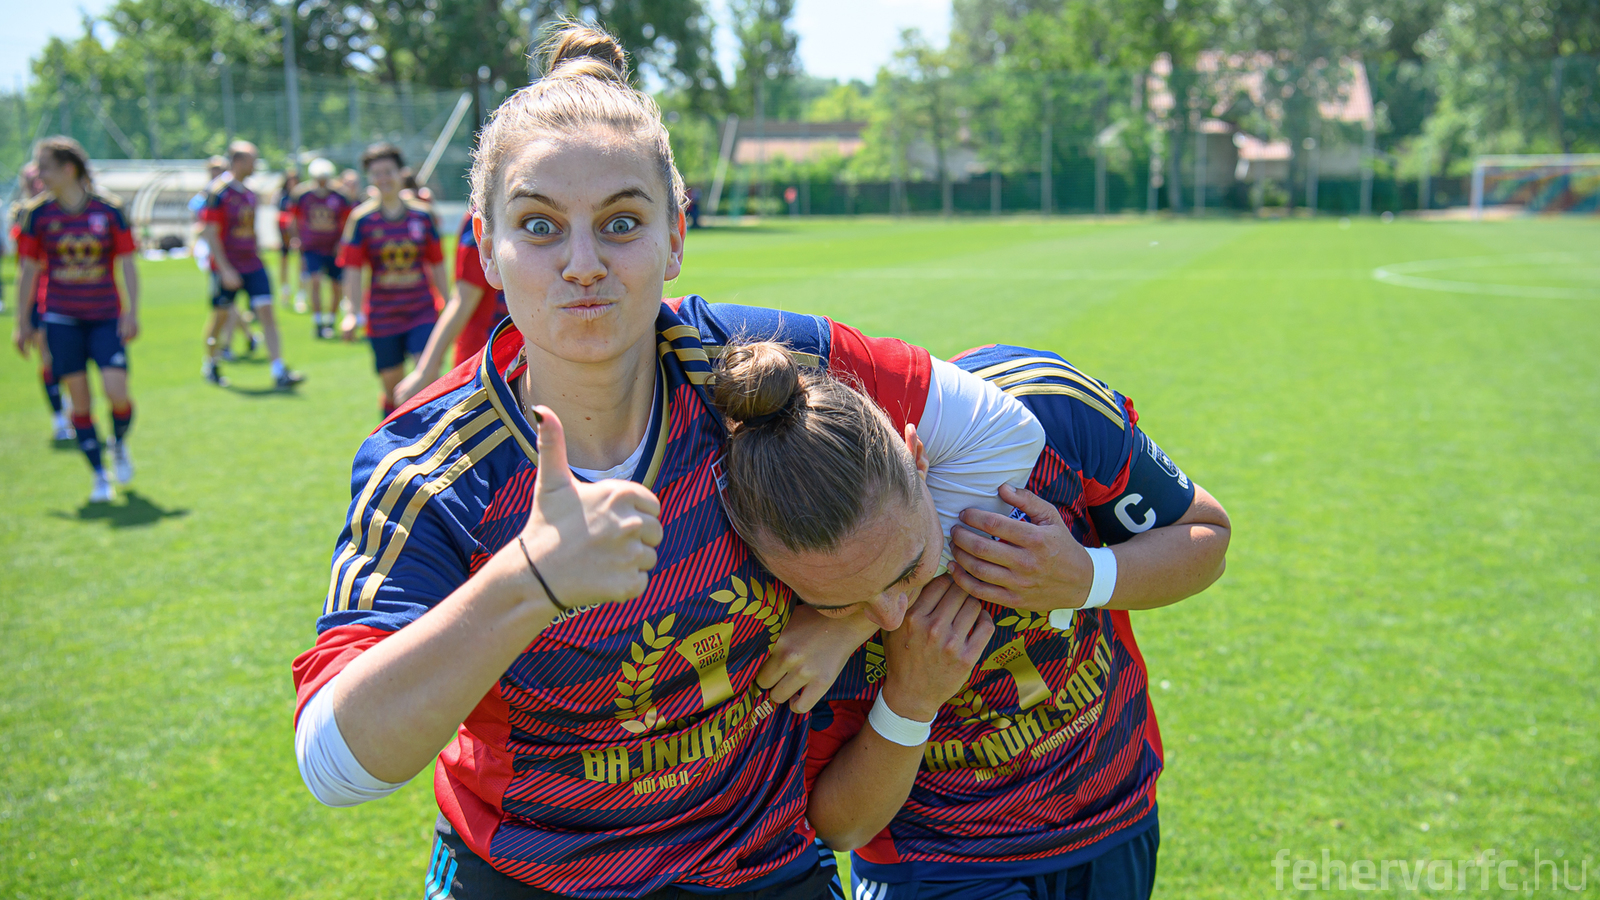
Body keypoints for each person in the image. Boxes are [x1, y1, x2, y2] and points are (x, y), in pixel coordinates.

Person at [290, 23, 1044, 899]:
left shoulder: (753, 360)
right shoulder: (432, 465)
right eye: (539, 226)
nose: (583, 265)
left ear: (676, 234)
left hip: (758, 866)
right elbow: (335, 764)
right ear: (487, 246)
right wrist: (526, 583)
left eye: (622, 223)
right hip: (529, 875)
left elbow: (1003, 436)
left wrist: (856, 615)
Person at [704, 343, 1231, 900]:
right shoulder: (755, 606)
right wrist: (910, 701)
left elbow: (1208, 540)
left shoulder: (1049, 409)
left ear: (917, 460)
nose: (889, 615)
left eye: (907, 568)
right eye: (841, 602)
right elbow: (841, 828)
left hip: (1114, 807)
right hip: (939, 863)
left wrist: (1085, 578)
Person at [11, 137, 141, 503]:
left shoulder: (110, 209)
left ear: (69, 169)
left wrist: (132, 311)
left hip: (105, 316)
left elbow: (127, 262)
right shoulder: (36, 214)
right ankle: (99, 475)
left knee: (117, 393)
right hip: (61, 318)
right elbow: (27, 270)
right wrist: (22, 322)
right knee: (80, 402)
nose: (39, 175)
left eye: (45, 167)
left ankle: (118, 444)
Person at [335, 143, 446, 417]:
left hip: (421, 310)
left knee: (427, 376)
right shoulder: (361, 219)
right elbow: (353, 268)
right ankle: (390, 428)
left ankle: (430, 436)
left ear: (401, 173)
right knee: (393, 388)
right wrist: (351, 313)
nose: (383, 178)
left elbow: (437, 262)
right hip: (382, 315)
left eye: (388, 171)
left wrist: (448, 302)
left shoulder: (423, 215)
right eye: (376, 173)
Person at [199, 141, 303, 389]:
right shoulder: (218, 192)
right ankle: (211, 363)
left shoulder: (249, 191)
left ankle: (279, 370)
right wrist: (224, 269)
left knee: (267, 312)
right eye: (251, 160)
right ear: (237, 161)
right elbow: (210, 232)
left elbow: (251, 229)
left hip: (252, 263)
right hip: (228, 265)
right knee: (220, 317)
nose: (255, 164)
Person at [389, 204, 509, 404]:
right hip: (484, 362)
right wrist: (425, 371)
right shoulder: (486, 216)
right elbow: (463, 300)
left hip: (525, 359)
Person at [9, 162, 73, 441]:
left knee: (70, 358)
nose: (40, 182)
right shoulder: (26, 215)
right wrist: (21, 319)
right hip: (38, 296)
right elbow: (25, 265)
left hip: (66, 294)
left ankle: (74, 410)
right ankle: (59, 417)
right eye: (34, 179)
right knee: (48, 358)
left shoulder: (66, 208)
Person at [293, 157, 354, 339]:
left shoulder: (340, 196)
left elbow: (349, 222)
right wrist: (297, 238)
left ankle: (331, 321)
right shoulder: (303, 195)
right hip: (312, 247)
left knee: (336, 286)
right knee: (315, 281)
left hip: (333, 248)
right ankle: (318, 321)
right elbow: (294, 218)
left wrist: (342, 243)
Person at [276, 166, 303, 310]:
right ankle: (285, 291)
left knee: (301, 263)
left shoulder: (302, 195)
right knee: (284, 261)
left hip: (300, 233)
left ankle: (301, 295)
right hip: (284, 233)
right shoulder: (282, 196)